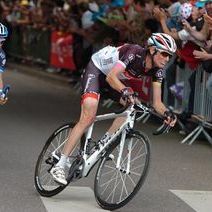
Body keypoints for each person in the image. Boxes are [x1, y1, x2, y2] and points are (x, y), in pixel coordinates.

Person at [50, 33, 178, 185]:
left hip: (112, 80)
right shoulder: (134, 53)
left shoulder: (157, 71)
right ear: (152, 50)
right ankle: (60, 164)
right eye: (164, 53)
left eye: (169, 56)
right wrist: (125, 90)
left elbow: (157, 103)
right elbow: (111, 76)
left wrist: (167, 113)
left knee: (133, 106)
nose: (167, 59)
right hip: (97, 72)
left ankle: (103, 144)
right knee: (88, 117)